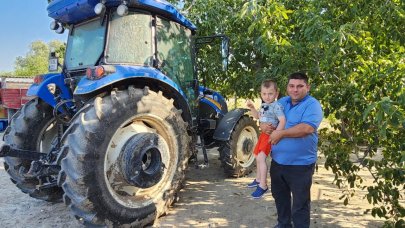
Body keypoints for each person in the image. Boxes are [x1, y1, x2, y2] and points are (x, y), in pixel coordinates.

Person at [261, 72, 323, 228]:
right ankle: (283, 224)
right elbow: (266, 118)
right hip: (278, 162)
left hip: (300, 166)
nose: (295, 90)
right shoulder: (281, 102)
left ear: (307, 87)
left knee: (300, 204)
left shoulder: (312, 104)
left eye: (300, 86)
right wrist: (263, 125)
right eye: (292, 86)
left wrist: (281, 133)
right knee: (280, 197)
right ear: (287, 87)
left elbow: (307, 128)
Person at [246, 79, 286, 199]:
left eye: (270, 94)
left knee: (261, 157)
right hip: (262, 134)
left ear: (276, 94)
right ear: (261, 94)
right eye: (264, 94)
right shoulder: (264, 105)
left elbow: (283, 120)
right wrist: (252, 107)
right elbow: (258, 116)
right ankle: (258, 179)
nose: (267, 97)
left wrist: (277, 134)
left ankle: (263, 185)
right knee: (257, 156)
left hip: (269, 135)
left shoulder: (276, 106)